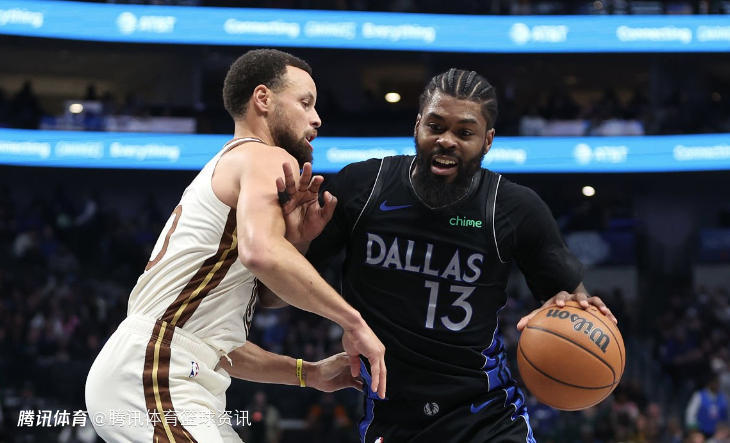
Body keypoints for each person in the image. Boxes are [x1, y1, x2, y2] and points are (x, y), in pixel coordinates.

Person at [277, 68, 617, 442]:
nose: (447, 141)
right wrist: (296, 243)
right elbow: (273, 296)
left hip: (489, 416)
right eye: (435, 126)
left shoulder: (514, 209)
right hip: (394, 417)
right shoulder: (362, 188)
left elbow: (571, 300)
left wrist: (575, 310)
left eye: (465, 133)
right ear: (417, 125)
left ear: (488, 141)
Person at [85, 48, 385, 443]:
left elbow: (220, 342)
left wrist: (308, 373)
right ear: (263, 99)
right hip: (156, 369)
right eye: (305, 102)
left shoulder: (234, 165)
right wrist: (353, 322)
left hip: (164, 369)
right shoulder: (264, 155)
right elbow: (261, 254)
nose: (316, 118)